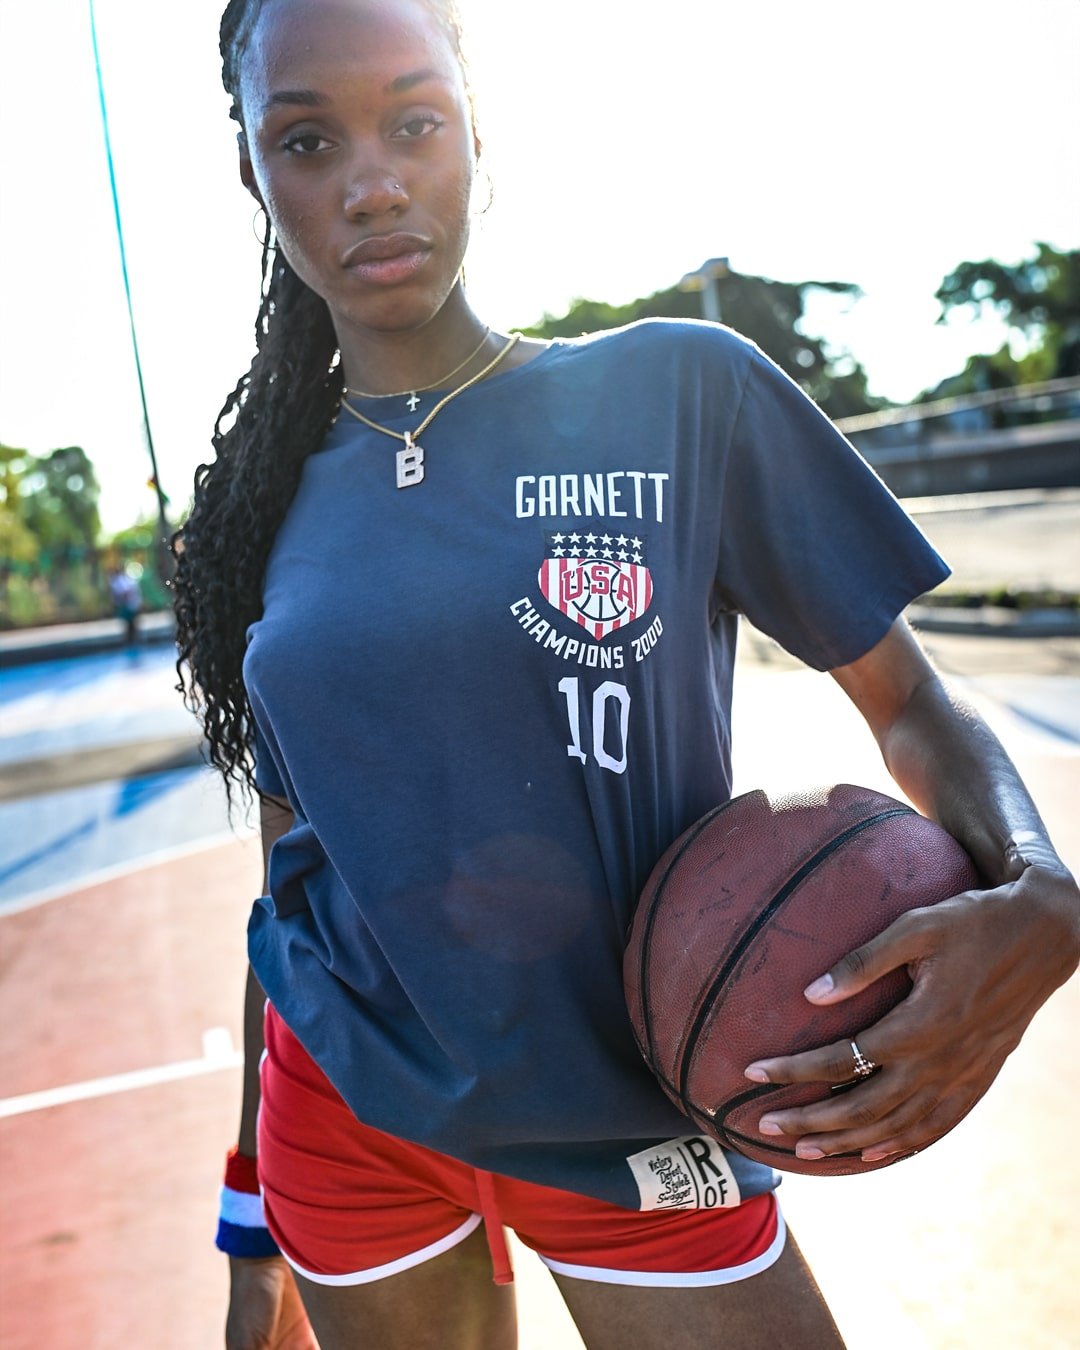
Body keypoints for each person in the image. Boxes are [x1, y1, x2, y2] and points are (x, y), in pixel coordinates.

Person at [171, 2, 1079, 1346]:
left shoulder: (679, 394)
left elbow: (914, 705)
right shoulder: (251, 513)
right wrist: (256, 1220)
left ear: (480, 128)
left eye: (415, 122)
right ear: (253, 169)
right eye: (307, 140)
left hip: (641, 1104)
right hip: (350, 1120)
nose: (371, 183)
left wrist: (1043, 884)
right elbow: (291, 871)